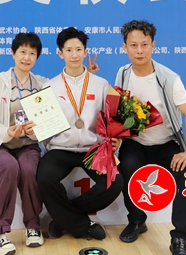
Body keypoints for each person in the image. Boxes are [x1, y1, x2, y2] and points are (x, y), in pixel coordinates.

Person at [115, 20, 186, 255]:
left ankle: (180, 237)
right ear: (125, 47)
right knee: (126, 169)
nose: (139, 50)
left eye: (144, 44)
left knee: (183, 177)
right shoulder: (122, 74)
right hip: (135, 143)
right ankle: (136, 220)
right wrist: (117, 138)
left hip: (165, 144)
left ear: (153, 45)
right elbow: (118, 111)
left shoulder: (169, 78)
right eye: (133, 45)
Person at [36, 27, 123, 240]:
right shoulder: (50, 86)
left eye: (78, 49)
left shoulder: (101, 84)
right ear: (60, 53)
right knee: (44, 177)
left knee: (115, 182)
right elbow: (44, 127)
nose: (74, 54)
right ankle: (82, 226)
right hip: (61, 149)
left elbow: (112, 119)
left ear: (85, 51)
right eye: (68, 50)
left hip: (93, 149)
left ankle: (63, 219)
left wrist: (116, 140)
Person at [0, 32, 47, 255]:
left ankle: (33, 226)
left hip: (27, 145)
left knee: (29, 168)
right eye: (22, 52)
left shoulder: (42, 84)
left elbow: (48, 119)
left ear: (37, 57)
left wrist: (36, 130)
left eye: (32, 53)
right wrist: (6, 131)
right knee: (8, 167)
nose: (27, 57)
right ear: (13, 53)